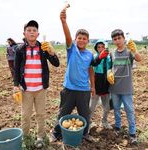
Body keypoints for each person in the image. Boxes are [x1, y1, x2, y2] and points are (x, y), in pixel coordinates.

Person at [50, 7, 108, 142]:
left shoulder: (89, 55)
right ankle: (56, 133)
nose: (81, 40)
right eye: (79, 38)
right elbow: (67, 36)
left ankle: (85, 133)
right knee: (63, 113)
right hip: (69, 89)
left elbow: (91, 69)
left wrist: (92, 86)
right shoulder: (72, 50)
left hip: (83, 90)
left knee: (85, 115)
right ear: (75, 39)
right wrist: (64, 22)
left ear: (88, 41)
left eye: (84, 38)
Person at [13, 20, 60, 148]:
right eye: (29, 30)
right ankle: (26, 137)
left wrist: (51, 52)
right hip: (26, 89)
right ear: (24, 33)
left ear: (38, 34)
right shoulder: (20, 49)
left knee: (41, 114)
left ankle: (40, 137)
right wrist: (16, 85)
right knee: (25, 115)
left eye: (34, 30)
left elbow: (56, 63)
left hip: (40, 88)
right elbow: (16, 69)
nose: (32, 32)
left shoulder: (43, 48)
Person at [107, 29, 141, 145]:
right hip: (115, 88)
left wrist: (135, 51)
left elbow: (139, 59)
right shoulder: (112, 53)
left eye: (119, 38)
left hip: (127, 89)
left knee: (129, 110)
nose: (117, 41)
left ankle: (132, 134)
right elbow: (110, 67)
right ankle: (117, 128)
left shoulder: (129, 52)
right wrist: (109, 73)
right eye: (115, 39)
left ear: (123, 39)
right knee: (116, 109)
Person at [89, 40, 113, 129]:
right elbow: (91, 69)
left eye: (102, 47)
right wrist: (92, 86)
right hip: (96, 85)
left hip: (106, 85)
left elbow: (112, 69)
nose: (100, 49)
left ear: (105, 48)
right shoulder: (95, 57)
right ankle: (89, 123)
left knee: (106, 107)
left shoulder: (109, 58)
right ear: (96, 48)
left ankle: (104, 121)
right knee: (91, 107)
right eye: (98, 47)